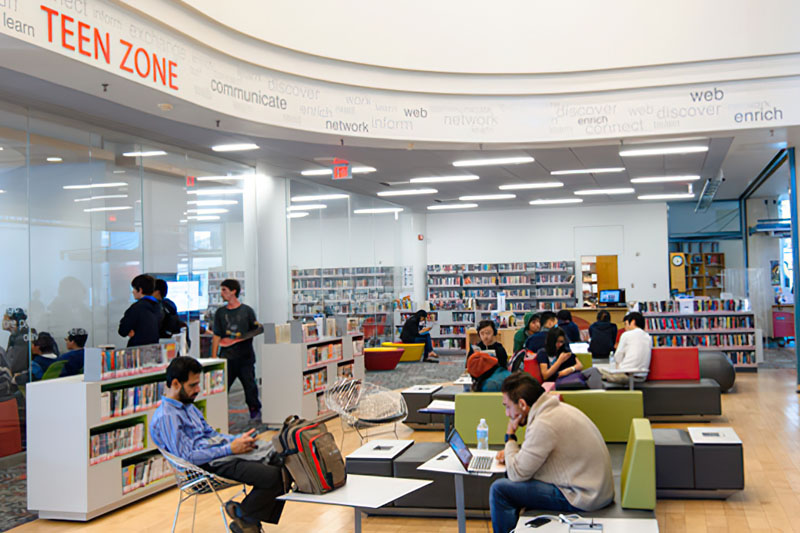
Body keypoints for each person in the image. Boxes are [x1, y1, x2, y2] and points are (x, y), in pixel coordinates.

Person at [150, 357, 284, 532]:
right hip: (201, 469)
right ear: (175, 384)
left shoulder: (189, 407)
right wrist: (230, 448)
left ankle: (246, 519)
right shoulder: (167, 417)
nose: (198, 390)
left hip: (217, 456)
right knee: (274, 476)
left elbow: (212, 435)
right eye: (192, 385)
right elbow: (188, 457)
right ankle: (246, 518)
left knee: (281, 463)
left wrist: (237, 439)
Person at [490, 373, 614, 533]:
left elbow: (517, 473)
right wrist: (513, 455)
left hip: (584, 496)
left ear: (522, 404)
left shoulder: (543, 424)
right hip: (596, 488)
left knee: (500, 490)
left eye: (507, 406)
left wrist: (510, 437)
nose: (507, 414)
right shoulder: (554, 409)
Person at [212, 279, 264, 420]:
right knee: (222, 388)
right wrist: (213, 357)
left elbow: (258, 329)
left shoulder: (247, 311)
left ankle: (255, 410)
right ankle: (217, 413)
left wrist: (236, 339)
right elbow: (217, 335)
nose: (221, 293)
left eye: (224, 290)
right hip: (226, 357)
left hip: (245, 357)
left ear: (233, 291)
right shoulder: (220, 313)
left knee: (250, 386)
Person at [596, 311, 652, 383]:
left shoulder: (626, 335)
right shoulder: (648, 337)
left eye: (626, 324)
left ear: (632, 322)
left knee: (595, 371)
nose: (625, 328)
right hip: (642, 376)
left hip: (626, 375)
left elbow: (617, 357)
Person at [118, 274, 161, 347]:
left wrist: (130, 330)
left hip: (137, 349)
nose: (133, 292)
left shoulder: (137, 308)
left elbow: (122, 330)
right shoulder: (158, 307)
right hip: (154, 348)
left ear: (140, 290)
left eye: (134, 289)